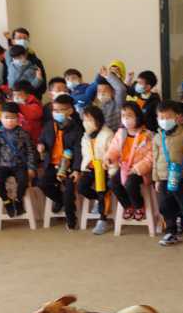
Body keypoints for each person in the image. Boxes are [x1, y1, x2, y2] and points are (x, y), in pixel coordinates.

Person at [152, 100, 183, 246]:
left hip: (182, 177)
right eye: (161, 118)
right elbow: (155, 157)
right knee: (165, 206)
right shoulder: (158, 136)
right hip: (164, 177)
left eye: (168, 117)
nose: (164, 121)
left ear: (177, 117)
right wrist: (156, 179)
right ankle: (170, 232)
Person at [38, 94, 83, 230]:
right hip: (52, 164)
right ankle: (60, 200)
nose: (56, 113)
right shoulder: (49, 125)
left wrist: (76, 169)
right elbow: (42, 139)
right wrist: (40, 145)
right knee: (43, 184)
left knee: (69, 189)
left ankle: (71, 218)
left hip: (68, 165)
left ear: (70, 111)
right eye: (55, 110)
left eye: (60, 110)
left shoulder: (77, 128)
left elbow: (78, 150)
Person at [0, 102, 38, 217]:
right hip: (2, 166)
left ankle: (19, 200)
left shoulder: (24, 134)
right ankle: (6, 201)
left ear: (18, 118)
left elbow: (31, 151)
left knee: (23, 180)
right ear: (1, 118)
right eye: (6, 117)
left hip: (19, 164)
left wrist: (31, 167)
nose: (9, 120)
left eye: (13, 117)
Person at [104, 102, 153, 221]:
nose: (126, 119)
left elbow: (150, 157)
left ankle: (138, 206)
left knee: (130, 184)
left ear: (138, 116)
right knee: (112, 183)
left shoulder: (147, 135)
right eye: (123, 115)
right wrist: (109, 158)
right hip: (124, 168)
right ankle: (128, 206)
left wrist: (136, 169)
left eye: (129, 115)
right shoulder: (121, 133)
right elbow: (113, 149)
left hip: (141, 170)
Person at [77, 105, 115, 235]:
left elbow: (112, 154)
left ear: (98, 120)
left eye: (89, 120)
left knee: (102, 191)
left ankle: (102, 220)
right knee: (81, 187)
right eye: (84, 120)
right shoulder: (85, 136)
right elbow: (85, 154)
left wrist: (111, 172)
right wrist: (84, 167)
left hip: (104, 168)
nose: (86, 123)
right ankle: (99, 201)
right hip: (90, 168)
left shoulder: (108, 134)